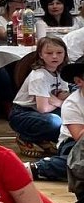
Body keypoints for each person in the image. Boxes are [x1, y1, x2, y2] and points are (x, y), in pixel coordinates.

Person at [8, 36, 68, 158]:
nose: (55, 56)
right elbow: (43, 108)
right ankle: (25, 137)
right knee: (55, 122)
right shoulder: (39, 76)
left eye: (59, 52)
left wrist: (58, 100)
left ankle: (42, 139)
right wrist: (60, 103)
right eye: (49, 53)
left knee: (71, 117)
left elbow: (64, 94)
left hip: (44, 111)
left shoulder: (60, 71)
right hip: (23, 113)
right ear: (41, 55)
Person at [30, 57, 84, 187]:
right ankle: (40, 167)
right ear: (79, 81)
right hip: (73, 143)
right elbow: (79, 137)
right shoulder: (72, 104)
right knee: (77, 163)